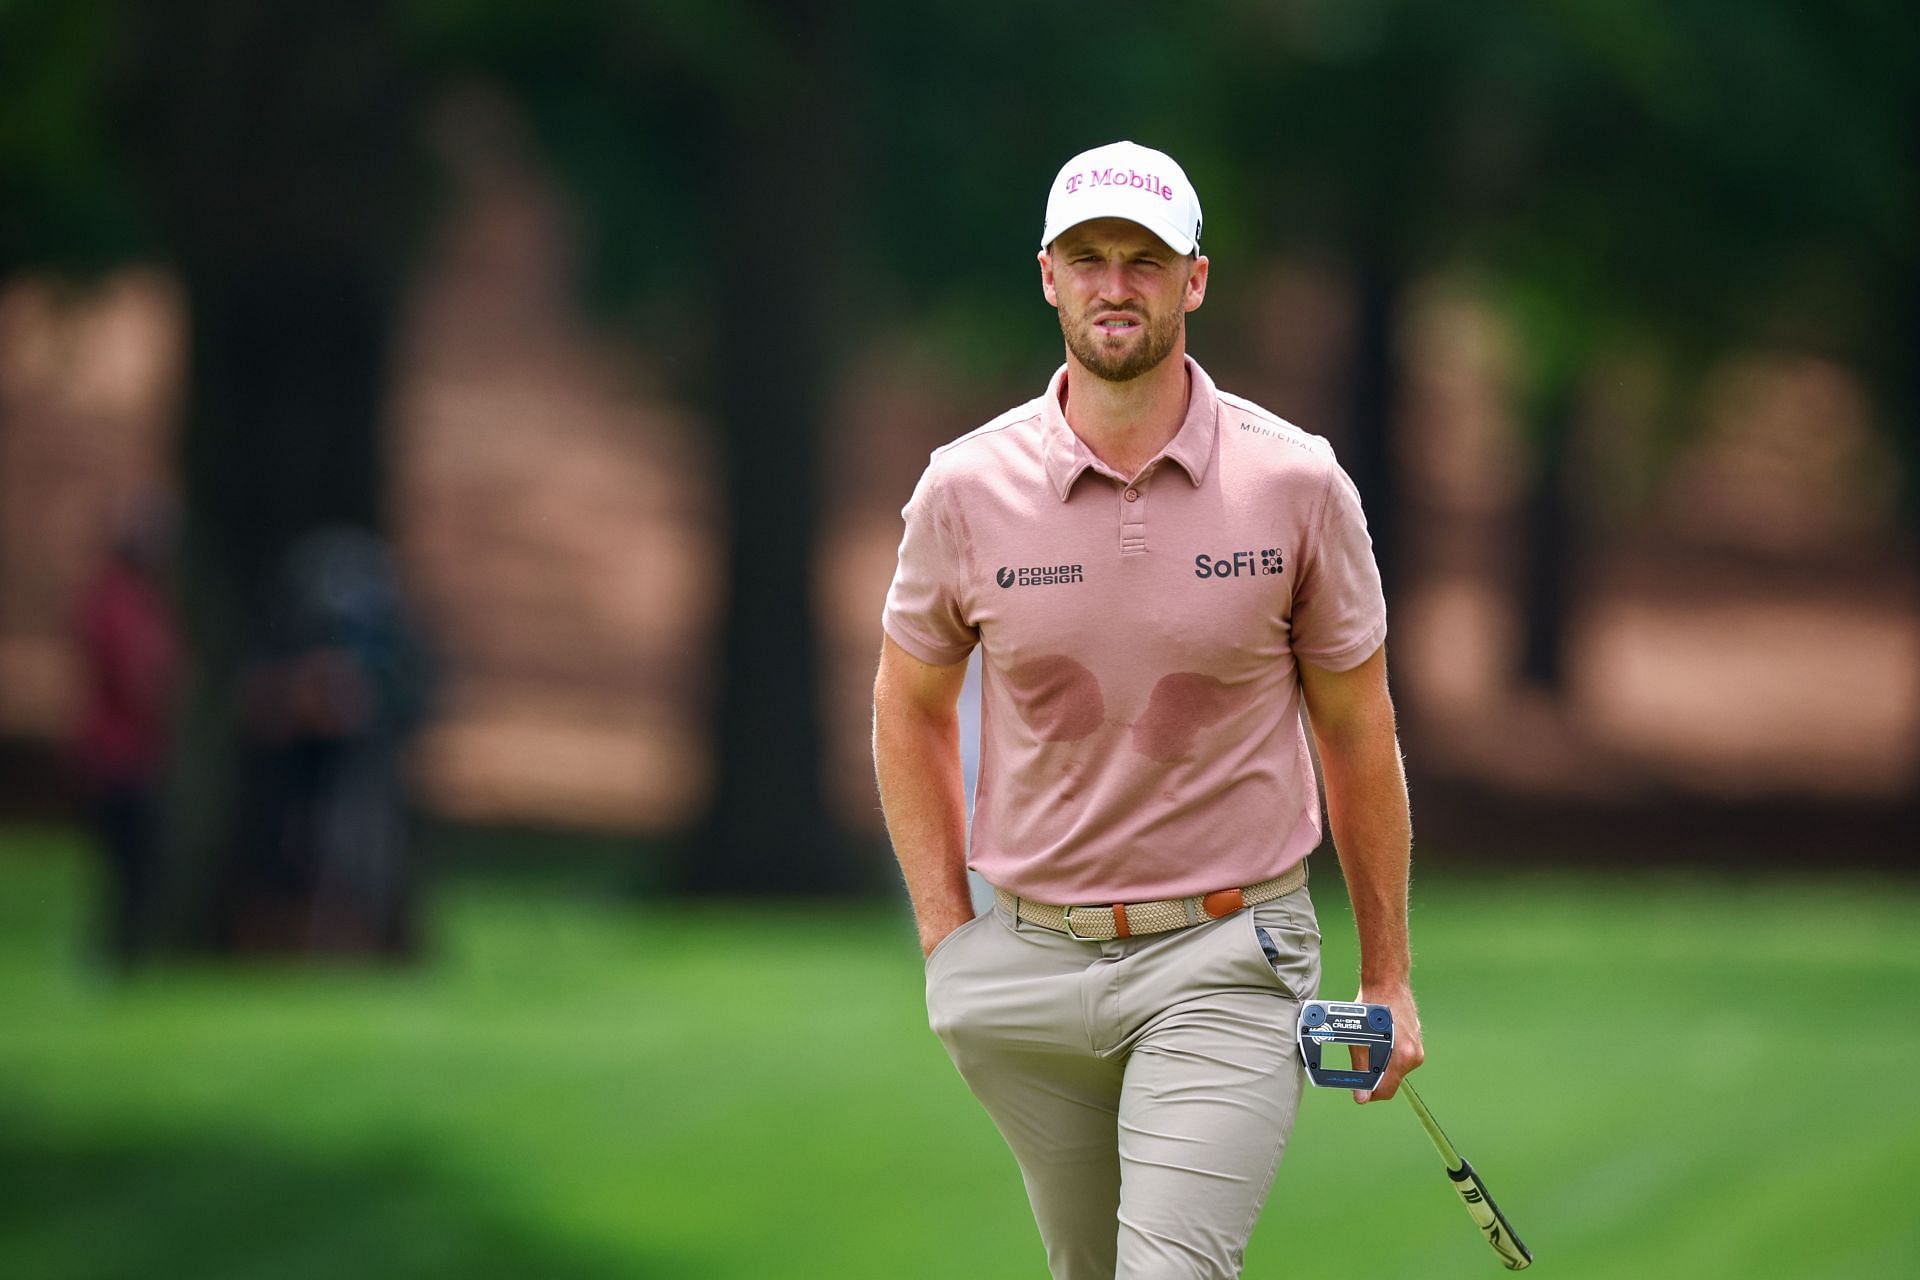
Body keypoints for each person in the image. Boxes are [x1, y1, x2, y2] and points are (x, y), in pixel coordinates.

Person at [871, 140, 1422, 1280]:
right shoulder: (964, 490)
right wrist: (946, 939)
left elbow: (1358, 728)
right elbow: (909, 701)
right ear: (1048, 276)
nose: (1114, 284)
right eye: (1088, 259)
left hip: (1229, 952)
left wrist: (1388, 974)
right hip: (1023, 966)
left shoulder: (1297, 482)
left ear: (1195, 281)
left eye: (1143, 260)